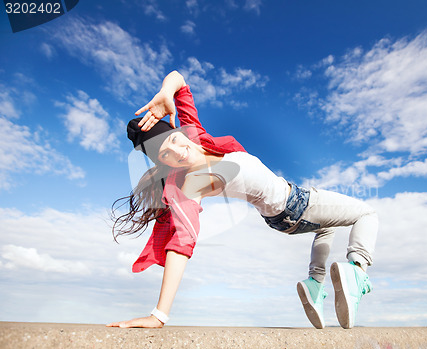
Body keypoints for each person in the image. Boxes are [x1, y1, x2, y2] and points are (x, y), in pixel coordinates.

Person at [107, 71, 378, 330]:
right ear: (162, 163)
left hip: (284, 215)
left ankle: (315, 284)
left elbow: (180, 81)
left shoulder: (198, 138)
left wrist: (166, 92)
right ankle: (357, 271)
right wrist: (159, 315)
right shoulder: (191, 184)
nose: (179, 152)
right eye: (166, 154)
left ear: (179, 131)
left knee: (326, 226)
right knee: (367, 214)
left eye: (174, 140)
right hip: (296, 205)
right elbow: (181, 243)